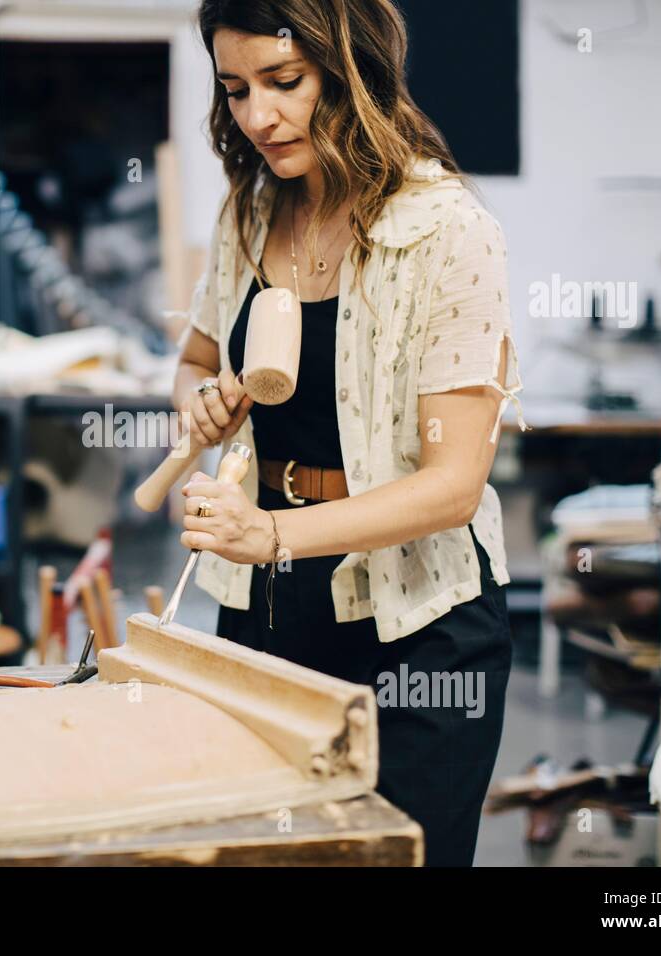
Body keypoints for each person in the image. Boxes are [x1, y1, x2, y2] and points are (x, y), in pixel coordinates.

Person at [172, 0, 528, 866]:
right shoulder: (250, 216)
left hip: (420, 621)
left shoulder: (450, 232)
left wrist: (273, 532)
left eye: (284, 82)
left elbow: (454, 486)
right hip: (264, 601)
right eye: (235, 90)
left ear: (352, 69)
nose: (257, 116)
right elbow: (192, 360)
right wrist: (200, 401)